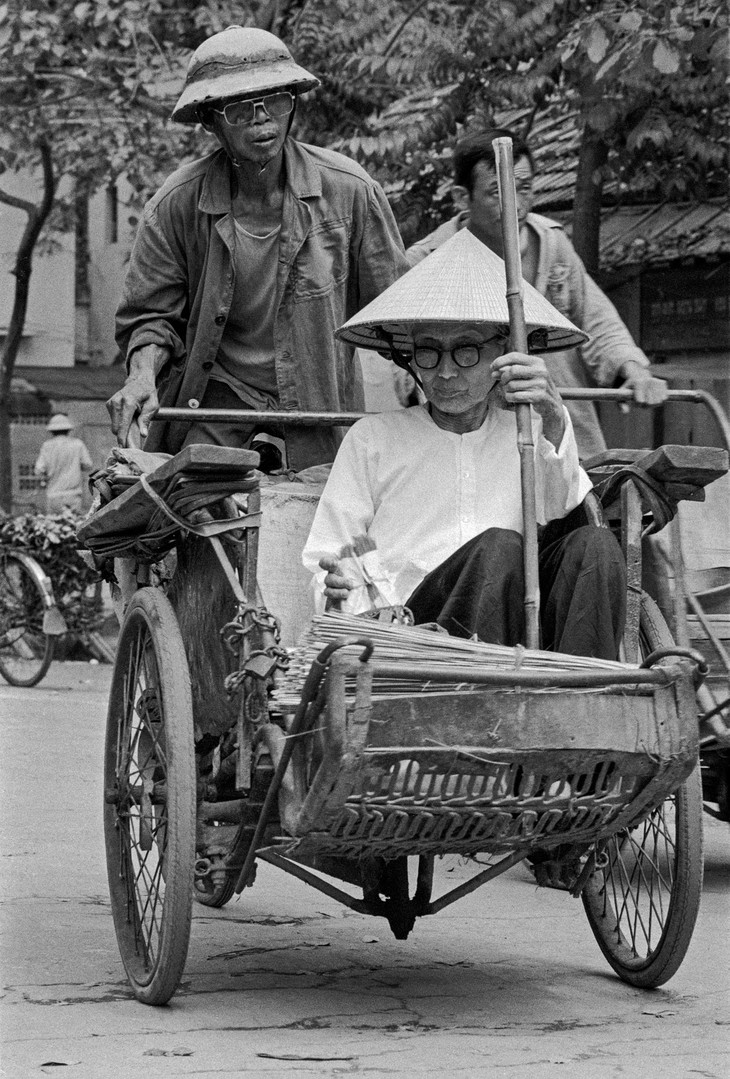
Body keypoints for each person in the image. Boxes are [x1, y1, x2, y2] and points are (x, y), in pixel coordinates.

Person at [303, 228, 627, 660]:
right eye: (428, 352)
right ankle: (483, 690)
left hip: (521, 631)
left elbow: (567, 510)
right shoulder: (373, 439)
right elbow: (328, 557)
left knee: (597, 547)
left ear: (502, 353)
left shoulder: (528, 435)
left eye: (466, 351)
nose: (446, 372)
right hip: (415, 627)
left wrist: (552, 415)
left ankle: (584, 691)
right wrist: (337, 584)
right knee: (499, 547)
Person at [109, 25, 410, 470]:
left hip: (317, 406)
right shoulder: (175, 205)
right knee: (191, 500)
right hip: (217, 402)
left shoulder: (349, 191)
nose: (261, 119)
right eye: (238, 109)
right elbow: (150, 318)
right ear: (209, 119)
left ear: (293, 103)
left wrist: (441, 376)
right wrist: (140, 376)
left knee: (325, 506)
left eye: (275, 100)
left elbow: (399, 314)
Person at [406, 129, 668, 460]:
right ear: (461, 197)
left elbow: (597, 320)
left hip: (562, 430)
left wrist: (634, 371)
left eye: (525, 188)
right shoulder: (426, 260)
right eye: (498, 192)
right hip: (467, 444)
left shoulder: (552, 243)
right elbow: (394, 361)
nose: (516, 204)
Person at [34, 415, 93, 514]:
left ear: (52, 431)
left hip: (53, 495)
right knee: (74, 522)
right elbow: (88, 465)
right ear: (68, 430)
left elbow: (39, 470)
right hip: (73, 495)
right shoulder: (78, 444)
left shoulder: (47, 446)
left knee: (53, 523)